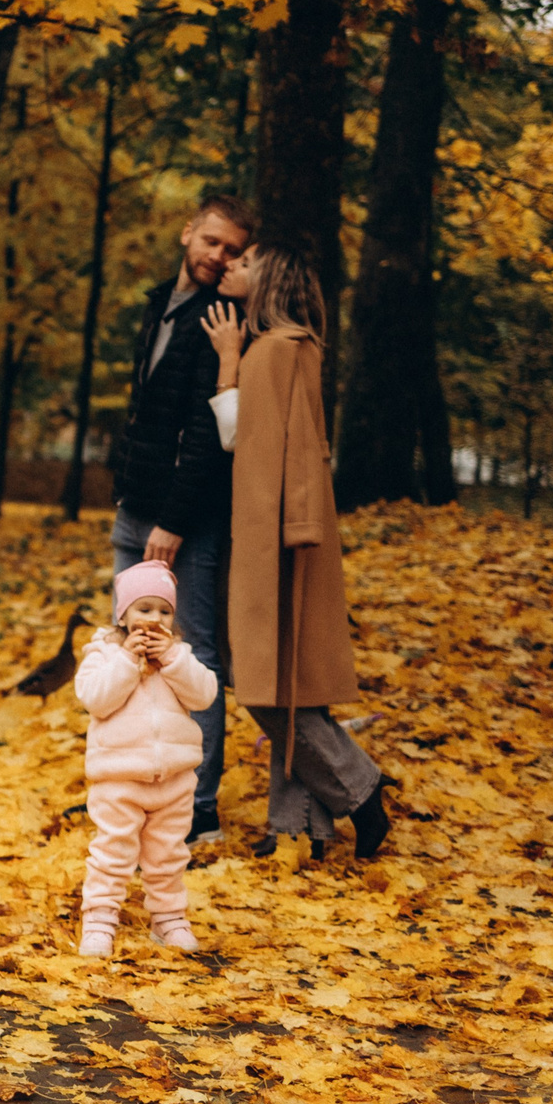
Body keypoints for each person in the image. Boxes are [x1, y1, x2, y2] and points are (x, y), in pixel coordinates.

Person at [202, 244, 390, 859]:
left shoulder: (273, 350)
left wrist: (228, 361)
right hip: (286, 527)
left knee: (263, 686)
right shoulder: (296, 344)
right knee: (291, 683)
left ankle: (361, 790)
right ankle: (298, 830)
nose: (233, 265)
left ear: (272, 279)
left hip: (274, 533)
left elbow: (240, 438)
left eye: (247, 261)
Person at [108, 195, 254, 853]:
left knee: (190, 655)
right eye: (213, 243)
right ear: (187, 232)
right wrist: (128, 496)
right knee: (130, 652)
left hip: (183, 520)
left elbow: (208, 434)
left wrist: (171, 521)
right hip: (135, 506)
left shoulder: (219, 318)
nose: (218, 258)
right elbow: (146, 407)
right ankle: (144, 791)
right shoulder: (158, 305)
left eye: (231, 251)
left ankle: (199, 810)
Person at [74, 560, 221, 956]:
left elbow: (205, 695)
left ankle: (169, 919)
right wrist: (126, 660)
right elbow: (96, 700)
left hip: (174, 779)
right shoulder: (104, 655)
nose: (154, 619)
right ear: (123, 614)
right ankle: (100, 920)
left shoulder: (180, 656)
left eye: (164, 611)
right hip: (119, 779)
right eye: (144, 609)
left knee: (168, 855)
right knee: (112, 853)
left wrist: (173, 660)